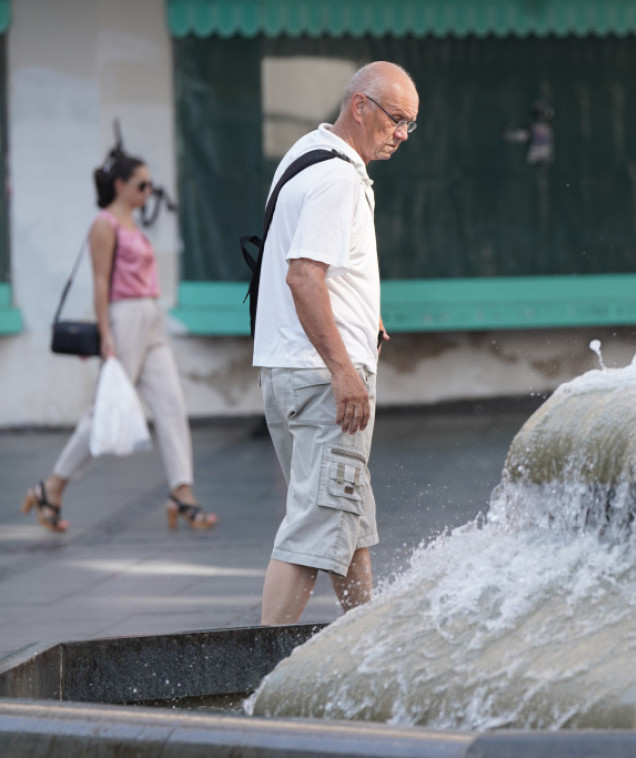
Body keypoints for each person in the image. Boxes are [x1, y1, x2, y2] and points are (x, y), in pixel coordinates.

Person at [254, 61, 418, 625]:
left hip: (288, 371)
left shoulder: (304, 154)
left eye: (410, 124)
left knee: (345, 519)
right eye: (397, 119)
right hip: (324, 380)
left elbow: (316, 266)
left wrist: (363, 314)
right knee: (314, 527)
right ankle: (261, 667)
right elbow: (303, 275)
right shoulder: (339, 178)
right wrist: (343, 369)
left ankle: (363, 645)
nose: (403, 134)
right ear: (360, 106)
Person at [21, 150, 217, 532]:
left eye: (150, 184)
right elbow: (100, 281)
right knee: (105, 408)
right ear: (120, 185)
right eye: (142, 184)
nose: (148, 191)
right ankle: (52, 486)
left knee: (172, 403)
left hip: (151, 316)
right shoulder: (104, 224)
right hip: (124, 316)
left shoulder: (134, 223)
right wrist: (106, 333)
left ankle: (181, 490)